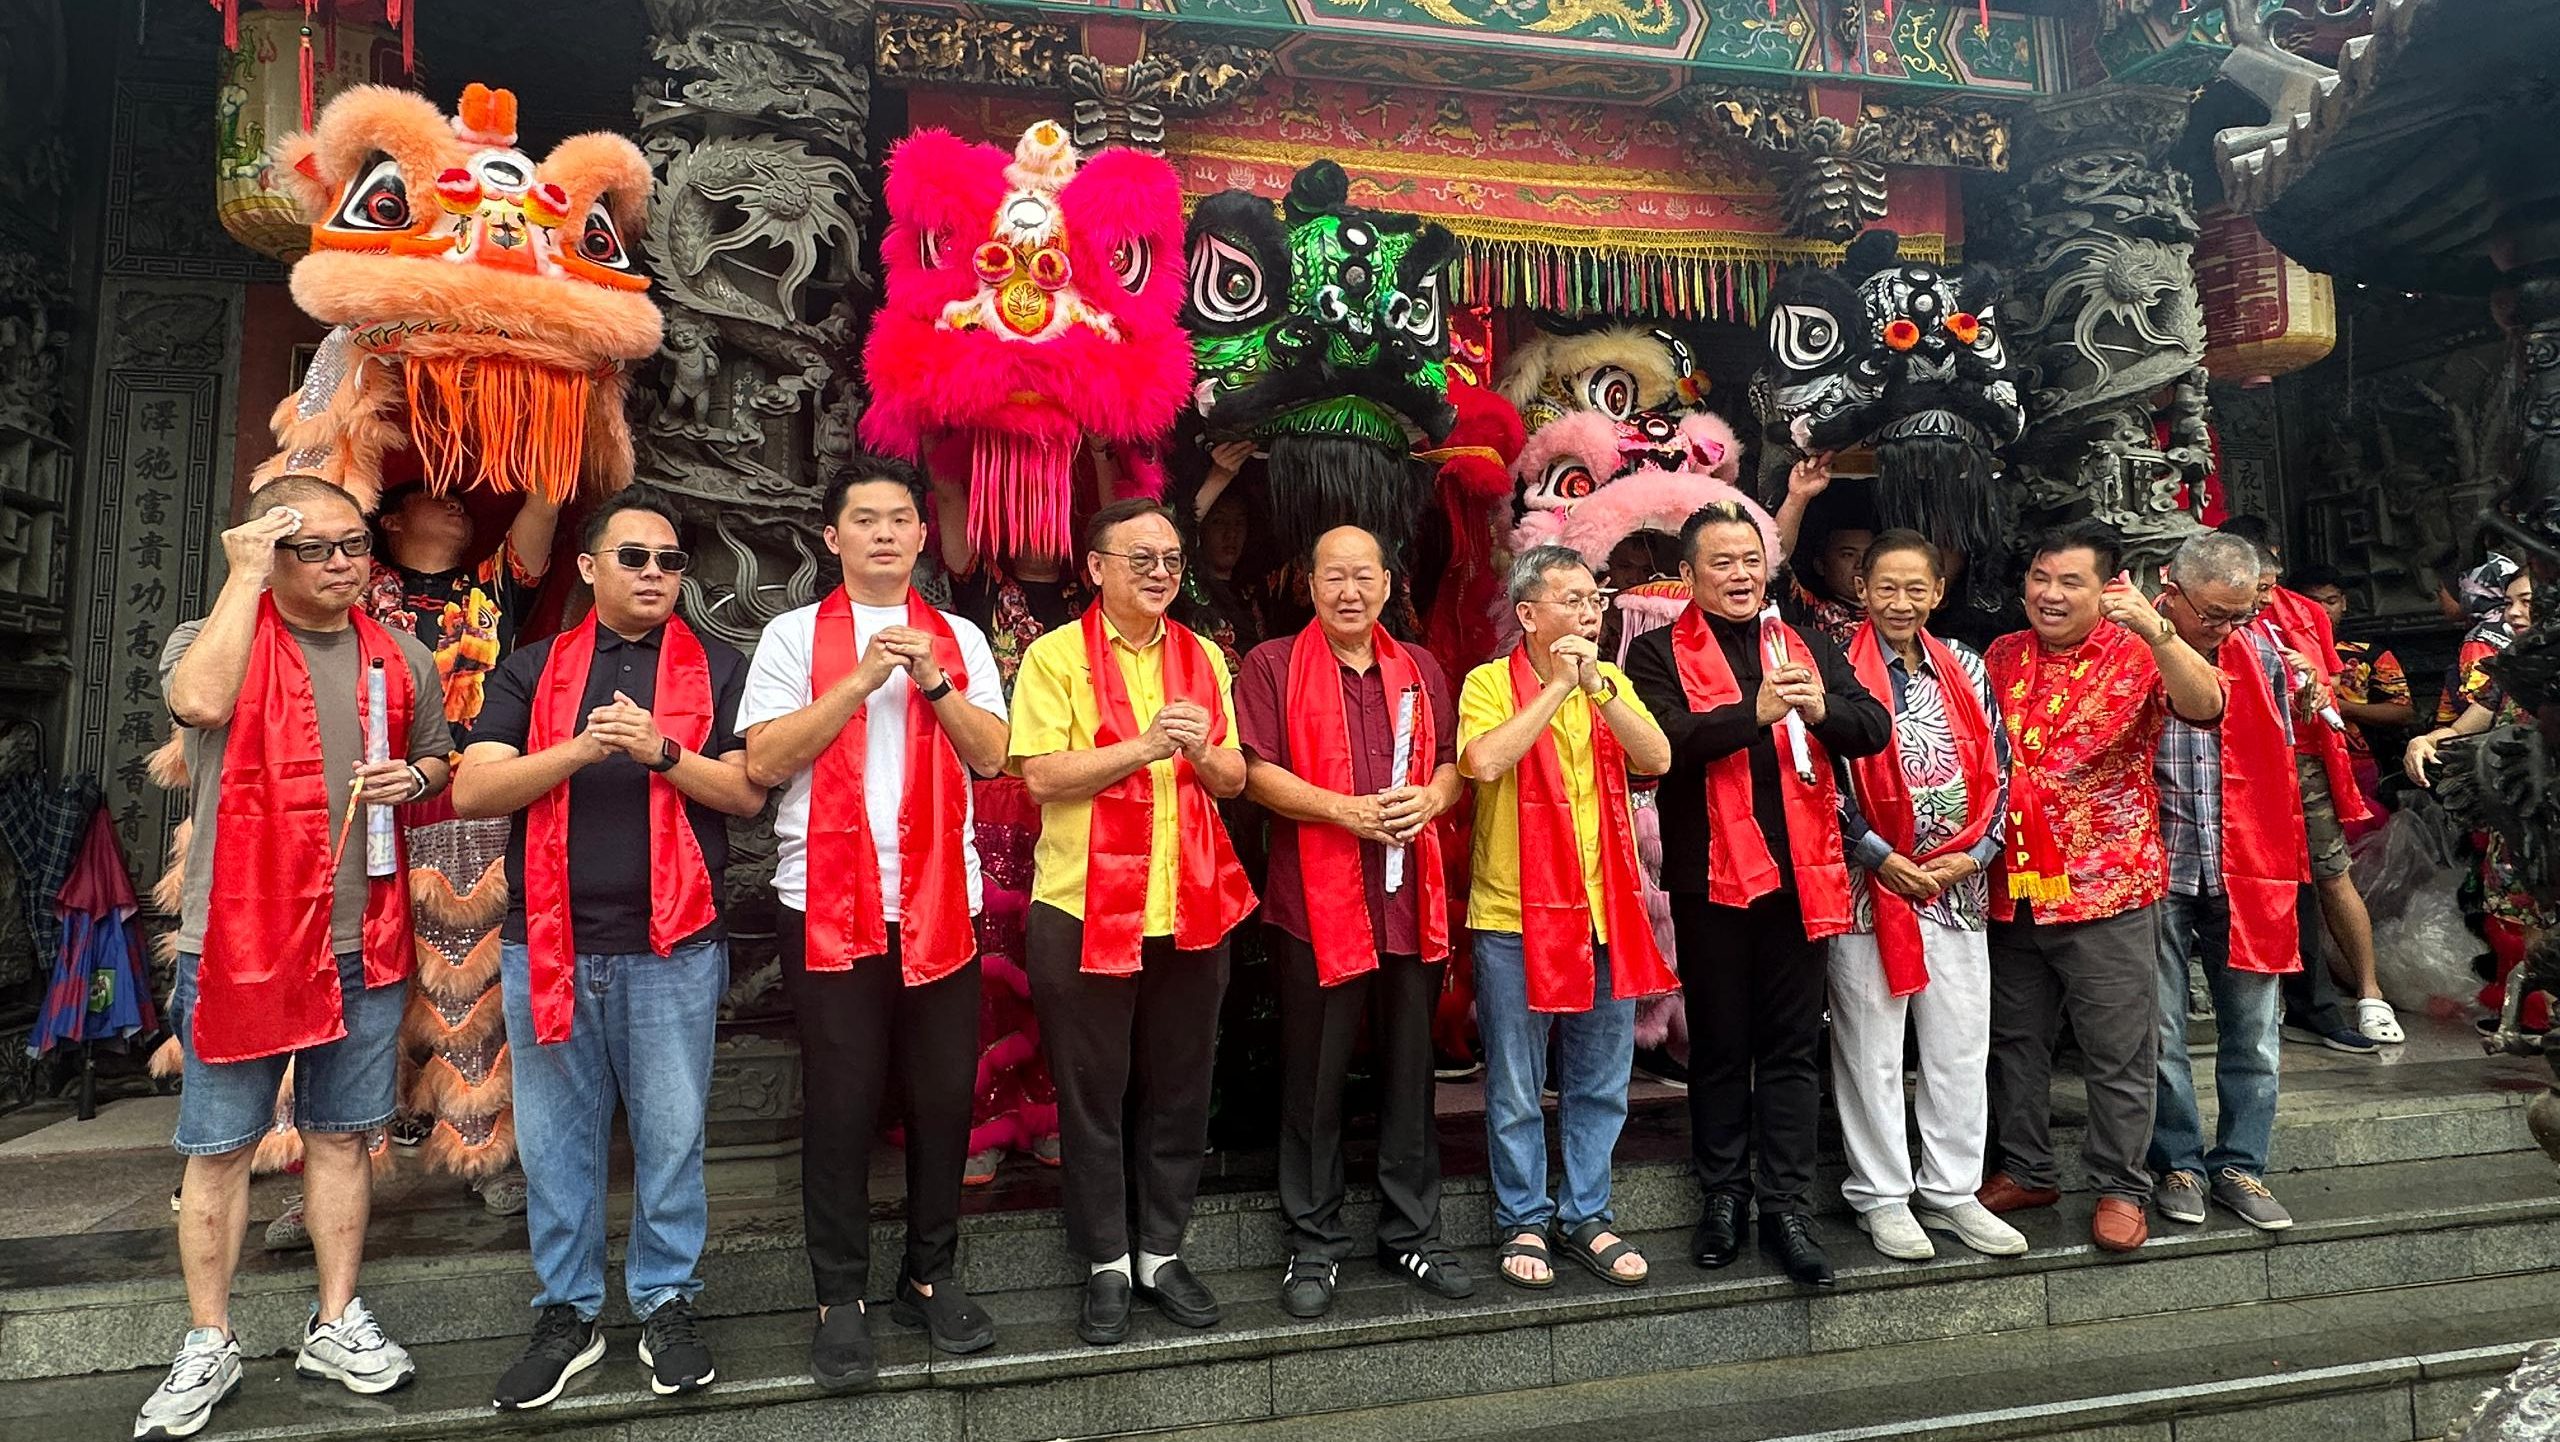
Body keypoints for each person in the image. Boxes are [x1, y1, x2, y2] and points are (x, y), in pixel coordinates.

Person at [142, 475, 453, 1439]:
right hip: (238, 937)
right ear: (264, 551)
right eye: (311, 548)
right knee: (220, 1146)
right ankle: (207, 1338)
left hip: (364, 937)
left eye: (353, 546)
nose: (340, 565)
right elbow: (197, 703)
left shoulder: (399, 654)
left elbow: (442, 755)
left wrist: (418, 775)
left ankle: (335, 1318)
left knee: (342, 1134)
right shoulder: (212, 637)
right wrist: (240, 580)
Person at [453, 489, 765, 1409]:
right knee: (555, 1144)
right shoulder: (534, 666)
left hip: (672, 944)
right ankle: (568, 1315)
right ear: (588, 568)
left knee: (672, 1139)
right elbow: (476, 792)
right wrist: (583, 750)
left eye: (671, 563)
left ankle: (666, 1301)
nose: (656, 577)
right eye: (635, 558)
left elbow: (747, 794)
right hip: (546, 942)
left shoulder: (717, 663)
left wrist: (664, 750)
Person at [737, 457, 1012, 1389]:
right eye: (866, 519)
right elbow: (765, 761)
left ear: (923, 535)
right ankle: (839, 1297)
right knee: (843, 1107)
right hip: (825, 902)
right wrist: (857, 680)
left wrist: (935, 683)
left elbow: (992, 758)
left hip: (942, 901)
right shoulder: (789, 636)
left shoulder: (962, 636)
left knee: (941, 1100)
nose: (886, 532)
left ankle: (930, 1279)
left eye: (901, 518)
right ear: (833, 537)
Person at [1007, 498, 1255, 1346]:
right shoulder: (1053, 657)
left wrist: (1197, 751)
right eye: (1142, 558)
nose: (1161, 574)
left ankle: (1161, 1252)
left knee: (1182, 1091)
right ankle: (1106, 1262)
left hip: (1190, 905)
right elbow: (1038, 777)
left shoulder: (1203, 657)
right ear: (1095, 567)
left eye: (1173, 561)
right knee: (1093, 1095)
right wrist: (1146, 745)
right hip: (1080, 909)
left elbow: (1230, 779)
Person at [1624, 503, 1891, 1285]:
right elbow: (1666, 744)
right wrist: (1756, 713)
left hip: (1803, 878)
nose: (1739, 576)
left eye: (1751, 561)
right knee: (1717, 1045)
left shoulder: (1805, 643)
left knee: (1789, 1047)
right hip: (1711, 881)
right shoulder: (1653, 652)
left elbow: (1869, 726)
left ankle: (1786, 1204)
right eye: (1722, 563)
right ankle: (1722, 1197)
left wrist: (1820, 708)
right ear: (1691, 575)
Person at [1235, 525, 1468, 1319]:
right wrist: (1346, 812)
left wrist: (1433, 799)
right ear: (1309, 583)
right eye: (1333, 577)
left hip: (1410, 899)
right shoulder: (1271, 664)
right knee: (1316, 1077)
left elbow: (1450, 766)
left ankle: (1412, 1230)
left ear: (1385, 582)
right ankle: (1313, 1240)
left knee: (1411, 1070)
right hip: (1316, 902)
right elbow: (1255, 774)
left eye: (1362, 577)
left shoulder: (1422, 667)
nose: (1348, 592)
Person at [1977, 521, 2226, 1255]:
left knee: (2118, 1050)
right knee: (2015, 1040)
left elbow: (2207, 705)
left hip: (2106, 888)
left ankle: (2122, 1185)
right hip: (2014, 883)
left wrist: (2160, 634)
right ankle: (2026, 1168)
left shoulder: (2141, 652)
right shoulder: (2001, 654)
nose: (2049, 595)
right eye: (2040, 578)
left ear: (2107, 587)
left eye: (2070, 582)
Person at [1459, 545, 1678, 1292]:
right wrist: (1555, 689)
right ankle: (1523, 1216)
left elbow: (1659, 757)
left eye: (1596, 599)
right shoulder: (1489, 682)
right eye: (1575, 600)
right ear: (1528, 614)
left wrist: (1598, 689)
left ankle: (1587, 1213)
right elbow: (1483, 762)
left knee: (1599, 1079)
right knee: (1518, 1083)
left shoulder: (1608, 681)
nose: (1592, 612)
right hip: (1513, 914)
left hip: (1604, 909)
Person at [1822, 530, 2027, 1263]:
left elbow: (2001, 772)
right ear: (1861, 590)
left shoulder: (1966, 666)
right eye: (1887, 588)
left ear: (1938, 593)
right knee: (1871, 1049)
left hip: (1954, 886)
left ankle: (1951, 1191)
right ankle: (1881, 1195)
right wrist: (1881, 858)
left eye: (1917, 589)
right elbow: (1820, 782)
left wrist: (1971, 856)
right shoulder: (1835, 664)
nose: (1901, 602)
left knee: (1958, 1048)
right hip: (1866, 890)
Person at [360, 482, 560, 1216]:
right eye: (433, 499)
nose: (457, 508)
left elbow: (542, 510)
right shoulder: (350, 585)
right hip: (368, 800)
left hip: (464, 806)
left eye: (461, 502)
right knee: (356, 989)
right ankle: (332, 1167)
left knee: (465, 994)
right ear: (389, 521)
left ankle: (483, 1151)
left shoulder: (489, 590)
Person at [2149, 532, 2318, 1234]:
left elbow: (2287, 741)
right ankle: (2179, 1162)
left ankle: (2242, 1163)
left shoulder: (2265, 650)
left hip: (2245, 863)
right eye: (2212, 615)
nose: (2225, 629)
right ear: (2171, 586)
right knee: (2157, 1032)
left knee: (2253, 1032)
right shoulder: (2128, 644)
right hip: (2156, 863)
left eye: (2240, 614)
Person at [2217, 519, 2392, 1050]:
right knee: (2261, 881)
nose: (2265, 597)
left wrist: (2309, 681)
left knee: (2330, 871)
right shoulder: (2212, 612)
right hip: (2239, 764)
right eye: (2257, 586)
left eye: (2270, 583)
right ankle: (2295, 1003)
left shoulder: (2303, 613)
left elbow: (2330, 684)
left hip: (2304, 758)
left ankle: (2368, 993)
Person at [2294, 567, 2415, 810]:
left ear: (2344, 603)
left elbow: (2403, 712)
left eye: (2331, 601)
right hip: (2299, 761)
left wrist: (2342, 708)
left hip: (2360, 760)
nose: (2323, 610)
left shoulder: (2368, 652)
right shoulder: (2280, 650)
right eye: (2311, 601)